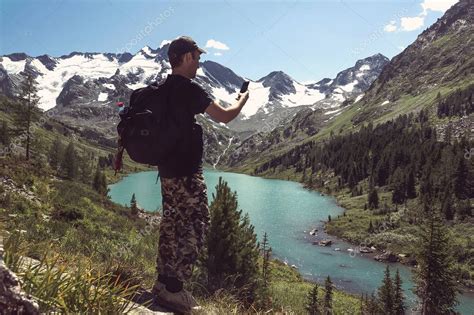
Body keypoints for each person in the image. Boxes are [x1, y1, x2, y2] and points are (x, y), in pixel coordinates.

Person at [152, 36, 249, 313]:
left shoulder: (162, 89)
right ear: (186, 57)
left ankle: (161, 283)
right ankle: (175, 290)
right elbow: (225, 116)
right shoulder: (188, 88)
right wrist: (242, 100)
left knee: (171, 226)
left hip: (168, 173)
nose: (199, 62)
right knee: (196, 226)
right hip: (187, 174)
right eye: (197, 56)